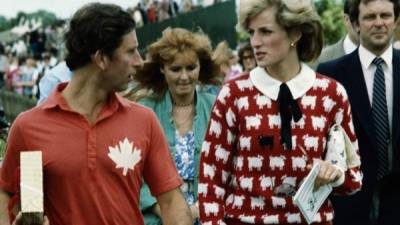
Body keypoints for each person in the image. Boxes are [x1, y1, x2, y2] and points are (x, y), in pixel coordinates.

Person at [0, 3, 192, 225]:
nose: (140, 61)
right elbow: (6, 193)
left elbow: (171, 202)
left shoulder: (144, 120)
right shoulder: (29, 128)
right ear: (101, 58)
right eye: (130, 51)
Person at [198, 0, 363, 224]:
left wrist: (333, 173)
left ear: (295, 33)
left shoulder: (331, 94)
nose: (255, 42)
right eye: (252, 32)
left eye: (265, 31)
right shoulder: (233, 94)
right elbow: (211, 180)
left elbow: (353, 179)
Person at [317, 0, 400, 224]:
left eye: (385, 16)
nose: (379, 23)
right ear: (355, 24)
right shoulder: (330, 73)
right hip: (350, 203)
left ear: (395, 20)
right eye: (370, 17)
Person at [129, 27, 219, 225]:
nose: (184, 76)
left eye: (191, 67)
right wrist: (163, 210)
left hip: (207, 216)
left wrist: (198, 209)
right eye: (176, 69)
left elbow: (228, 168)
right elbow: (133, 171)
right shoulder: (144, 110)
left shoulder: (217, 106)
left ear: (200, 66)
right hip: (157, 218)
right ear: (162, 68)